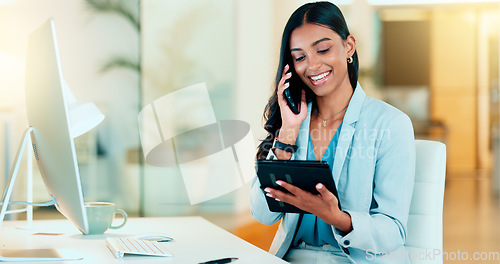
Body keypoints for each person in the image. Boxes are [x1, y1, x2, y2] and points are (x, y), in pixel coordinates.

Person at [250, 2, 415, 263]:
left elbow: (393, 231)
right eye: (300, 57)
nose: (312, 65)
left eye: (323, 50)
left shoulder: (389, 124)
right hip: (293, 257)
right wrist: (288, 134)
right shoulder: (294, 123)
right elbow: (262, 214)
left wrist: (335, 217)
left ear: (349, 46)